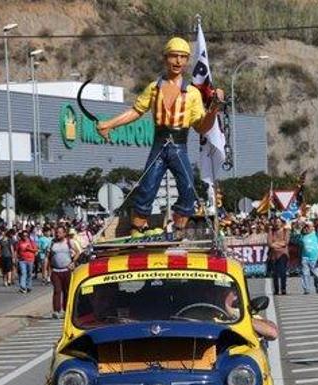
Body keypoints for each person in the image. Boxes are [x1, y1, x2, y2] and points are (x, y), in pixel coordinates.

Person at [95, 37, 224, 236]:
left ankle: (178, 229)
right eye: (174, 56)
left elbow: (201, 127)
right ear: (165, 58)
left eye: (183, 57)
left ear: (187, 61)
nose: (178, 61)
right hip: (159, 144)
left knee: (188, 187)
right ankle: (137, 228)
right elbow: (136, 111)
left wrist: (214, 109)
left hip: (179, 146)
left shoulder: (192, 94)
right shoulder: (153, 88)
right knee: (147, 187)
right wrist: (109, 124)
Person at [45, 226, 81, 318]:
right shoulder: (52, 243)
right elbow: (47, 257)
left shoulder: (69, 242)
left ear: (65, 233)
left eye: (60, 232)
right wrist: (46, 271)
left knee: (67, 291)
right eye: (57, 232)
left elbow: (78, 252)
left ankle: (66, 310)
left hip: (67, 270)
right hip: (56, 271)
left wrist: (73, 263)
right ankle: (56, 311)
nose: (58, 234)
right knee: (57, 290)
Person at [298, 221, 318, 295]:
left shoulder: (317, 235)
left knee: (316, 275)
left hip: (315, 258)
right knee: (305, 274)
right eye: (305, 226)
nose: (306, 228)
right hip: (305, 258)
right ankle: (306, 289)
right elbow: (300, 247)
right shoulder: (302, 236)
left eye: (308, 226)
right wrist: (300, 257)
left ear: (313, 228)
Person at [267, 217, 290, 295]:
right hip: (273, 255)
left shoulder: (285, 230)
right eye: (275, 221)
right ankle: (276, 289)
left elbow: (285, 242)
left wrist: (275, 244)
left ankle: (283, 288)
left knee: (282, 271)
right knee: (275, 273)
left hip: (283, 254)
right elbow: (269, 243)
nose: (277, 223)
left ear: (281, 223)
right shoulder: (271, 231)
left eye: (278, 222)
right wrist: (275, 245)